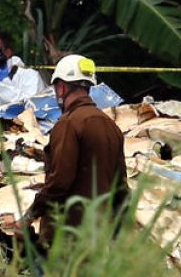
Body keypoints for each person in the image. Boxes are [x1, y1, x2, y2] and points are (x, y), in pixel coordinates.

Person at [19, 54, 128, 247]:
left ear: (61, 87)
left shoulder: (69, 124)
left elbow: (59, 181)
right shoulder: (112, 127)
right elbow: (120, 187)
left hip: (67, 237)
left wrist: (29, 216)